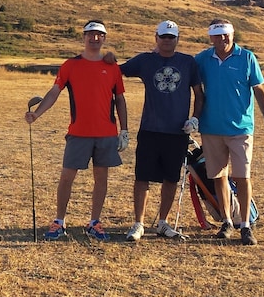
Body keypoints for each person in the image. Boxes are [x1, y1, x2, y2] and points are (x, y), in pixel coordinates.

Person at [24, 20, 129, 240]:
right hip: (78, 132)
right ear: (83, 37)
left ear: (104, 38)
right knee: (67, 177)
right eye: (90, 34)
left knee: (101, 178)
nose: (94, 38)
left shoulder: (112, 67)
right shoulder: (70, 65)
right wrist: (37, 114)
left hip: (106, 133)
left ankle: (94, 222)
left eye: (99, 35)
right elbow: (54, 92)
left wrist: (124, 130)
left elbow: (119, 99)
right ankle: (59, 222)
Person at [116, 20, 204, 241]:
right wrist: (107, 59)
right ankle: (139, 224)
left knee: (171, 178)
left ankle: (163, 223)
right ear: (156, 38)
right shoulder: (145, 60)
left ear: (177, 39)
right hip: (150, 129)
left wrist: (195, 118)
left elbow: (199, 95)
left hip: (177, 132)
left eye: (171, 37)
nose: (167, 41)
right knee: (142, 177)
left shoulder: (188, 62)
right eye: (163, 37)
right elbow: (117, 72)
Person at [194, 18, 264, 246]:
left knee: (242, 177)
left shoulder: (247, 57)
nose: (222, 39)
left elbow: (259, 90)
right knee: (219, 176)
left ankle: (245, 226)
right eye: (217, 35)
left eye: (225, 35)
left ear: (232, 35)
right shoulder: (202, 59)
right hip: (211, 128)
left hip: (241, 128)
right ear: (210, 37)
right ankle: (227, 222)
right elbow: (188, 79)